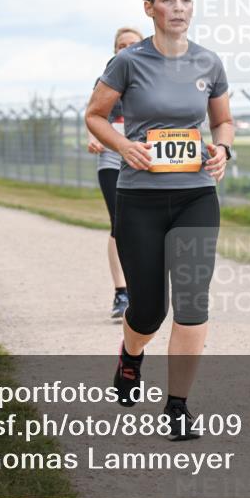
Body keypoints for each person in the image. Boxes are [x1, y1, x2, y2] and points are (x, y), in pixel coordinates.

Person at [85, 0, 234, 440]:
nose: (179, 8)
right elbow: (95, 115)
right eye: (168, 0)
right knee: (149, 310)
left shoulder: (209, 63)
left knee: (192, 303)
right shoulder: (129, 62)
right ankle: (131, 355)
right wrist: (124, 146)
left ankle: (177, 405)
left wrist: (223, 150)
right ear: (149, 8)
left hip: (195, 196)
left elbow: (223, 122)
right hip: (140, 198)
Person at [88, 26, 144, 319]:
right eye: (121, 45)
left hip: (145, 159)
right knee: (119, 222)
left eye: (133, 44)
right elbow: (95, 117)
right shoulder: (107, 81)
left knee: (145, 224)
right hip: (112, 157)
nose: (126, 49)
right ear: (115, 51)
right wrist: (94, 138)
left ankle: (145, 289)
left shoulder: (153, 79)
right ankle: (122, 293)